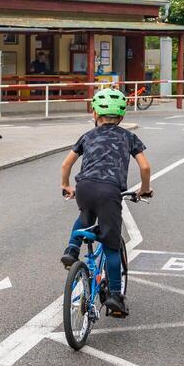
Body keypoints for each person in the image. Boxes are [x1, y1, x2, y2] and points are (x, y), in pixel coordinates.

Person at [59, 86, 152, 318]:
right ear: (121, 116)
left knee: (84, 216)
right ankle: (114, 296)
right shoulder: (129, 137)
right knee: (111, 246)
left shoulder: (87, 136)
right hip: (109, 191)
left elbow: (66, 164)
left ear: (94, 114)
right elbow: (145, 166)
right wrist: (145, 189)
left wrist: (66, 185)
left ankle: (72, 249)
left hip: (84, 187)